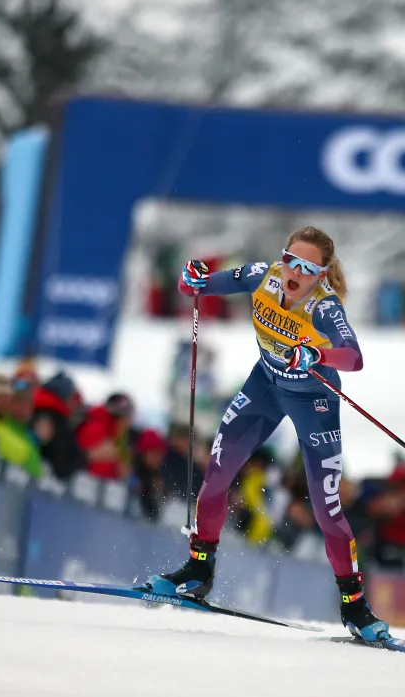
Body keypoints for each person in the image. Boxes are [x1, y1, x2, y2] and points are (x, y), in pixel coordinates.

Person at [142, 226, 390, 642]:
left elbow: (354, 357)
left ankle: (355, 607)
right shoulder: (267, 275)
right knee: (217, 474)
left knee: (327, 510)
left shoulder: (324, 308)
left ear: (321, 274)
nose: (294, 272)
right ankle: (199, 568)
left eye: (307, 267)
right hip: (265, 388)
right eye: (290, 260)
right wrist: (193, 279)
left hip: (314, 402)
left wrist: (317, 353)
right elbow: (202, 286)